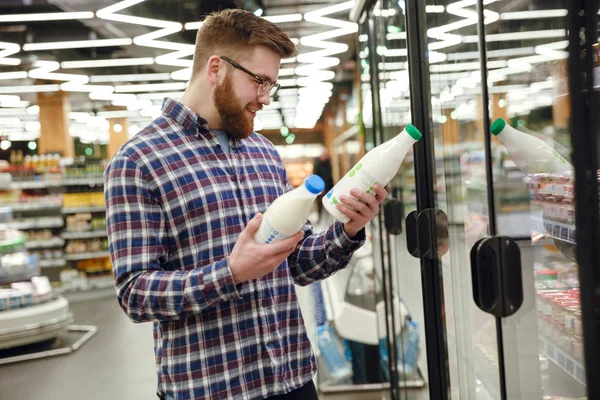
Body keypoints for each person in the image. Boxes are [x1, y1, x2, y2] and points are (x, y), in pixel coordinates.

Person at [104, 9, 388, 400]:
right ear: (216, 67)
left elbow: (296, 262)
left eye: (272, 85)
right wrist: (231, 272)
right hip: (211, 389)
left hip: (292, 379)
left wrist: (348, 230)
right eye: (259, 82)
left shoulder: (264, 153)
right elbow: (135, 294)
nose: (265, 98)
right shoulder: (138, 161)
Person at [312, 147, 334, 219]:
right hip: (320, 187)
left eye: (326, 155)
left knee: (329, 203)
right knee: (320, 204)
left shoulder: (328, 163)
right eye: (324, 155)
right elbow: (316, 176)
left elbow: (330, 176)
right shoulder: (317, 164)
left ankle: (328, 218)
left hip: (329, 186)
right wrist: (321, 188)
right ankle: (320, 218)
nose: (325, 156)